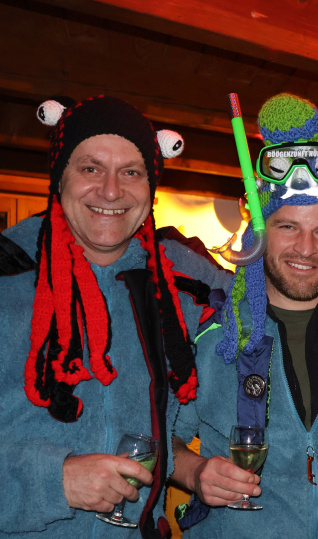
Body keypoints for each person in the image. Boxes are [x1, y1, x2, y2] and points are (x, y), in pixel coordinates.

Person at [0, 95, 231, 537]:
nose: (110, 191)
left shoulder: (183, 281)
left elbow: (277, 302)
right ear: (59, 178)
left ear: (151, 187)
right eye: (91, 168)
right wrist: (56, 479)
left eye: (131, 172)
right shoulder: (7, 269)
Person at [168, 93, 318, 538]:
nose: (305, 248)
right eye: (288, 226)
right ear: (259, 232)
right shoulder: (212, 337)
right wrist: (195, 473)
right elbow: (156, 436)